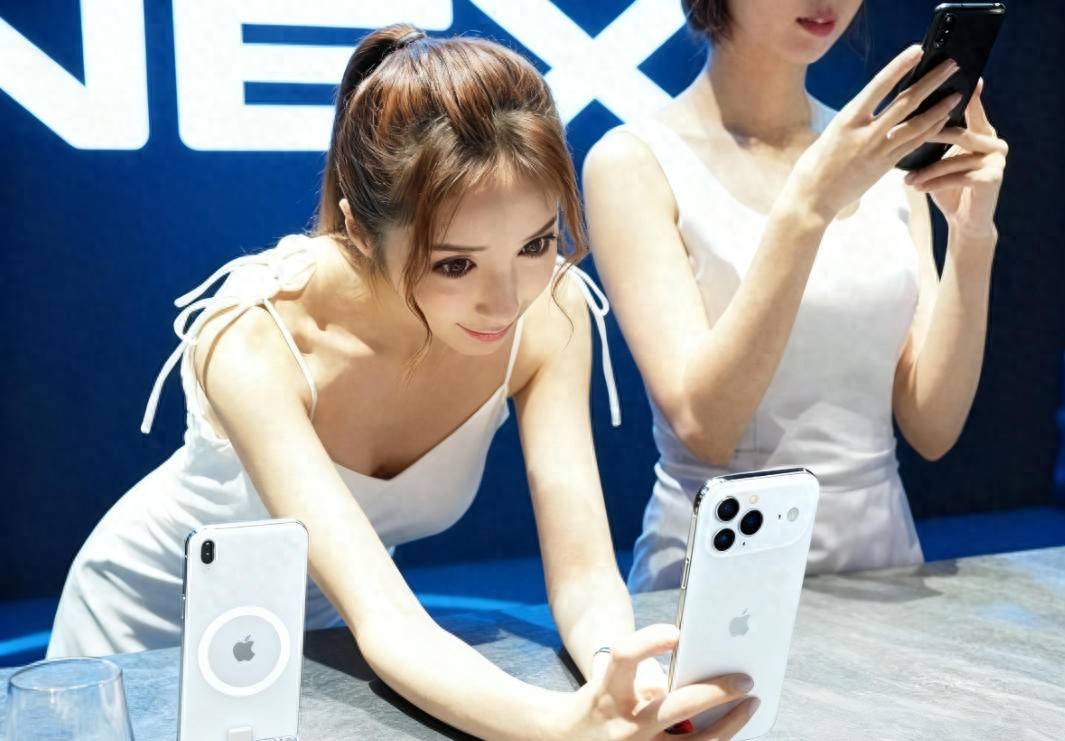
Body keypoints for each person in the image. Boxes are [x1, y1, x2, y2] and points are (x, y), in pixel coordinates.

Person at [47, 25, 757, 739]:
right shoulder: (259, 337)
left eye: (536, 244)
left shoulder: (551, 312)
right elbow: (386, 618)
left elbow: (583, 575)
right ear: (358, 230)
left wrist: (626, 685)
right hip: (148, 636)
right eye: (455, 264)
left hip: (322, 642)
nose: (505, 300)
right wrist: (564, 728)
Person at [583, 0, 1007, 591]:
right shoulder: (633, 163)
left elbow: (933, 426)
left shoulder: (879, 160)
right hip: (719, 578)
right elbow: (705, 427)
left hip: (884, 569)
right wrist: (807, 208)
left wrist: (972, 236)